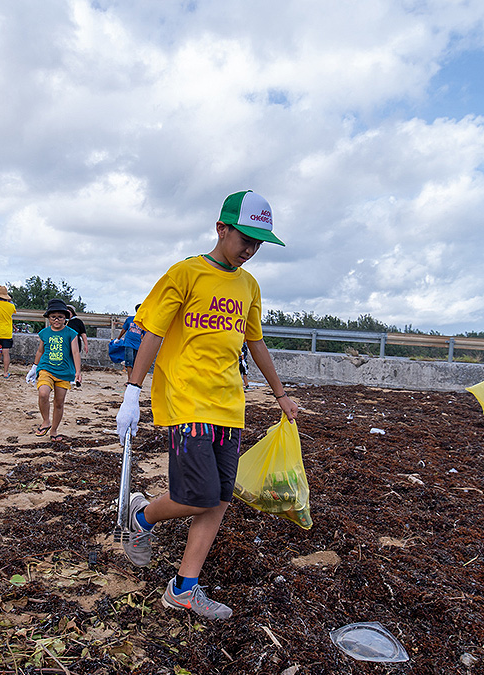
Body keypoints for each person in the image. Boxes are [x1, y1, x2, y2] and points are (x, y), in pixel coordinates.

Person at [115, 190, 299, 620]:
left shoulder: (249, 286)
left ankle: (184, 587)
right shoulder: (186, 274)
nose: (250, 250)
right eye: (244, 238)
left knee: (218, 499)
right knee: (197, 495)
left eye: (258, 243)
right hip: (186, 400)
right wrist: (132, 391)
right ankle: (142, 516)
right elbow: (153, 333)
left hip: (229, 405)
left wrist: (280, 394)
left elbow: (255, 342)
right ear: (221, 228)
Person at [27, 299, 82, 441]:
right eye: (53, 317)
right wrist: (34, 367)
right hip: (46, 369)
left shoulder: (71, 333)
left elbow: (75, 353)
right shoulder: (44, 333)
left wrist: (78, 372)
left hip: (64, 372)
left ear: (66, 318)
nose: (57, 320)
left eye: (60, 317)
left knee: (59, 402)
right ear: (49, 318)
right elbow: (40, 351)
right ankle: (46, 421)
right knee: (43, 393)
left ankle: (54, 430)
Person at [116, 304, 144, 379]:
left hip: (137, 344)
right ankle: (129, 379)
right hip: (128, 342)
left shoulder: (144, 323)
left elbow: (144, 335)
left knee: (135, 362)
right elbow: (124, 329)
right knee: (129, 360)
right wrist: (118, 338)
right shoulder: (130, 319)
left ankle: (133, 379)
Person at [65, 305, 88, 387]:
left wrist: (86, 344)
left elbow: (83, 334)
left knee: (74, 359)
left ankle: (74, 377)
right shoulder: (63, 321)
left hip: (75, 343)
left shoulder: (78, 322)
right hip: (64, 343)